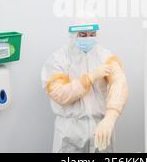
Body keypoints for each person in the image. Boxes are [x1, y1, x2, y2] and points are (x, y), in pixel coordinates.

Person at [41, 19, 128, 153]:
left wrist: (110, 117)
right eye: (83, 34)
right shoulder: (59, 59)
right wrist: (89, 78)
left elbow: (119, 83)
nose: (88, 38)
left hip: (101, 128)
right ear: (73, 35)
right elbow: (60, 94)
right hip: (70, 131)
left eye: (92, 33)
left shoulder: (105, 56)